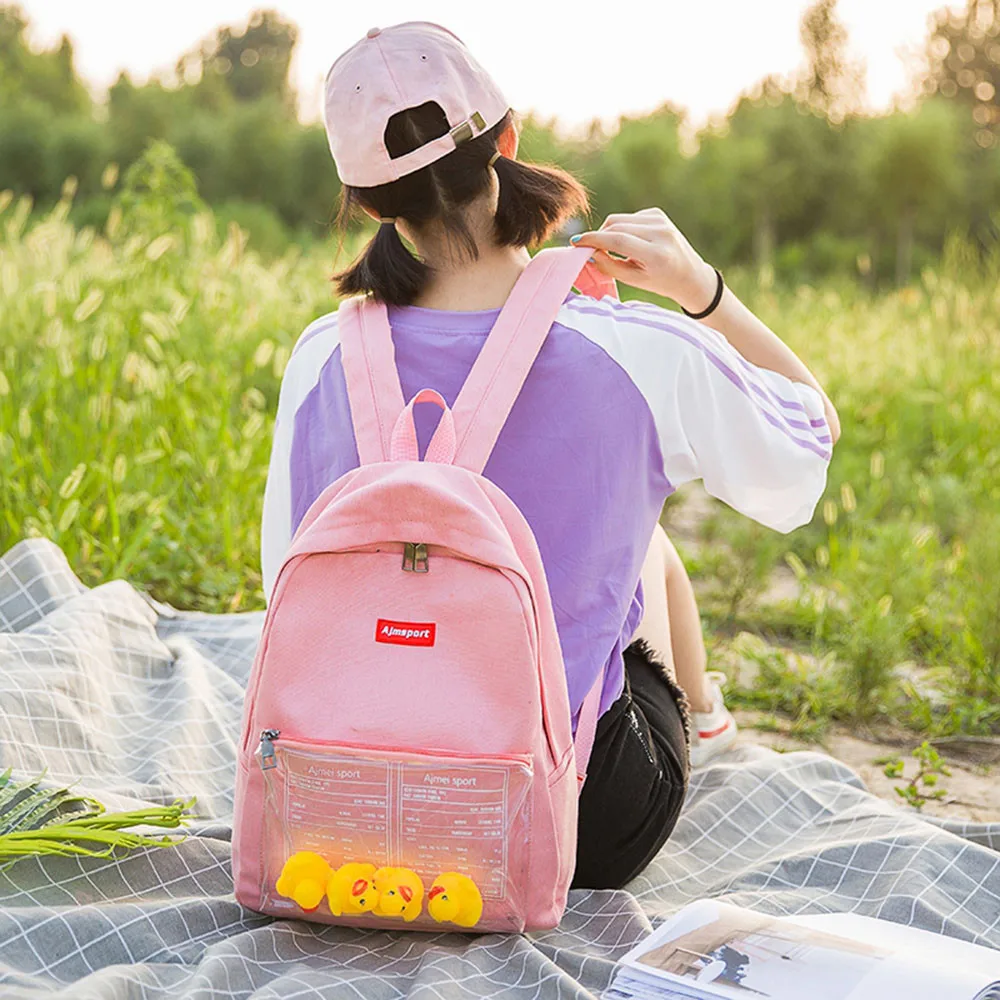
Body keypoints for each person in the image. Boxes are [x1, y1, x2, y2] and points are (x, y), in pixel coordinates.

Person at [260, 21, 839, 891]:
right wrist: (699, 289)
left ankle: (702, 715)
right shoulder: (630, 349)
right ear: (507, 139)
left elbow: (283, 577)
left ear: (369, 202)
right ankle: (706, 717)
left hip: (340, 806)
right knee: (640, 538)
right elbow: (807, 445)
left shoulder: (318, 357)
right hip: (576, 817)